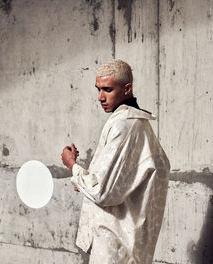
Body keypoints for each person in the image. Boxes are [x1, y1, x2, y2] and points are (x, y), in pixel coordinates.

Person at [61, 59, 170, 264]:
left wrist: (72, 166)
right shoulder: (137, 124)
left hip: (116, 245)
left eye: (108, 90)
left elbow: (102, 191)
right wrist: (85, 182)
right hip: (122, 243)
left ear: (127, 88)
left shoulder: (124, 125)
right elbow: (116, 182)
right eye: (98, 89)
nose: (100, 97)